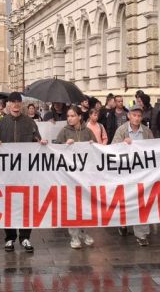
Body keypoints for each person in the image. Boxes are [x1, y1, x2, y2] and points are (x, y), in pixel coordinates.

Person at [0, 92, 48, 252]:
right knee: (7, 204)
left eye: (18, 102)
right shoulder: (0, 123)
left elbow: (37, 140)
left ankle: (25, 237)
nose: (15, 105)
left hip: (25, 173)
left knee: (26, 205)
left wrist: (42, 144)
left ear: (21, 105)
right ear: (8, 105)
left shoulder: (29, 123)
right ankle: (9, 238)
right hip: (6, 173)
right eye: (12, 102)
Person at [53, 105, 97, 249]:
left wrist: (93, 145)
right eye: (68, 116)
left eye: (72, 116)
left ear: (80, 117)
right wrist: (65, 145)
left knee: (86, 205)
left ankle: (85, 232)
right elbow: (55, 150)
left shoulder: (88, 132)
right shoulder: (64, 131)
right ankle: (74, 236)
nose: (70, 118)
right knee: (73, 205)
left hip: (85, 176)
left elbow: (98, 150)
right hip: (70, 176)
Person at [112, 103, 154, 246]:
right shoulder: (122, 130)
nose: (136, 118)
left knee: (142, 202)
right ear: (129, 116)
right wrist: (123, 143)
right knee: (126, 201)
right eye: (134, 115)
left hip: (142, 174)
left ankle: (141, 235)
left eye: (139, 115)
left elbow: (154, 150)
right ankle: (123, 223)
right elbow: (112, 149)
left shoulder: (147, 132)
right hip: (126, 173)